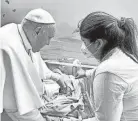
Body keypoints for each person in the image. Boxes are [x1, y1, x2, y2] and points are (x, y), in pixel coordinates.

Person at [0, 8, 67, 121]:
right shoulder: (9, 46)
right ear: (37, 31)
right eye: (48, 37)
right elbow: (19, 105)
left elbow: (35, 64)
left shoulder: (24, 36)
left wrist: (56, 77)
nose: (48, 43)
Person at [75, 11, 138, 121]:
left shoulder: (108, 70)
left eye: (84, 42)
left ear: (99, 43)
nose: (83, 47)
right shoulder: (124, 56)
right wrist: (85, 73)